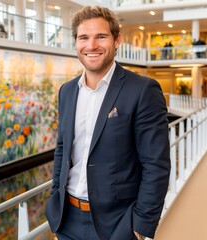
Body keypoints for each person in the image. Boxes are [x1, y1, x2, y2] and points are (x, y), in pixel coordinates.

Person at [45, 5, 171, 240]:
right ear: (76, 42)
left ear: (116, 40)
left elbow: (156, 164)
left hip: (117, 224)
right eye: (84, 37)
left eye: (101, 37)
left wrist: (140, 226)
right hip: (67, 220)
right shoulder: (67, 91)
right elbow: (62, 149)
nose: (91, 46)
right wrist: (56, 201)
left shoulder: (143, 90)